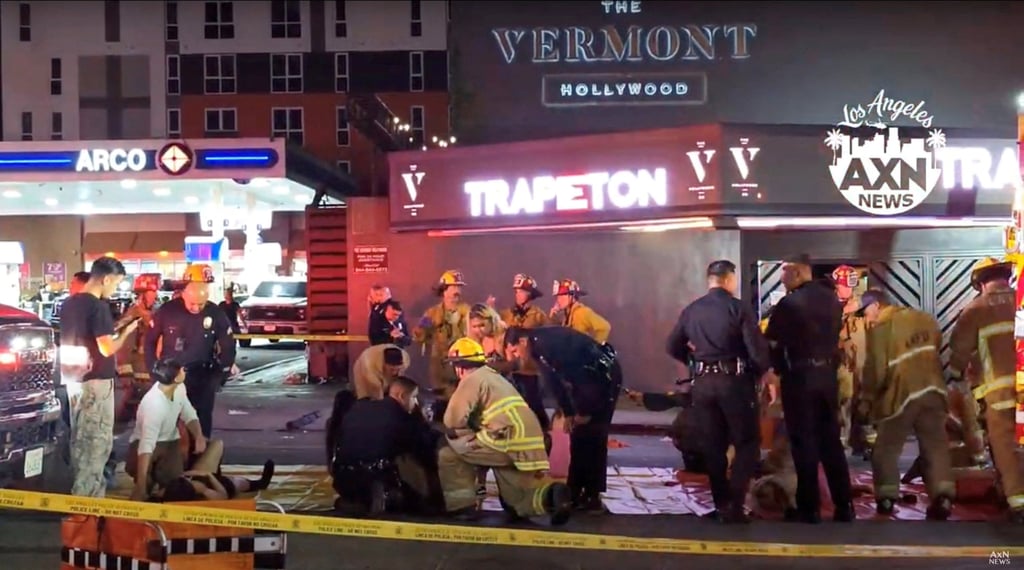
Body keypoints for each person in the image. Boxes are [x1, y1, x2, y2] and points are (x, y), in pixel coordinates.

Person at [664, 259, 773, 524]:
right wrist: (762, 375)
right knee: (747, 443)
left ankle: (720, 503)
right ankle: (735, 505)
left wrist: (694, 361)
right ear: (728, 279)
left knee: (713, 445)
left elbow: (672, 345)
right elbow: (757, 351)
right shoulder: (738, 308)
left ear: (710, 279)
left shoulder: (692, 310)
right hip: (734, 383)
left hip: (703, 384)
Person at [438, 337, 572, 524]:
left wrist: (443, 425)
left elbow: (453, 420)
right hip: (528, 443)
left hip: (505, 440)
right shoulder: (494, 377)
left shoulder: (471, 379)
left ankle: (463, 506)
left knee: (449, 454)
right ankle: (551, 497)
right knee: (516, 500)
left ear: (459, 367)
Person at [764, 254, 854, 524]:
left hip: (799, 377)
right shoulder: (831, 301)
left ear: (796, 272)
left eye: (782, 271)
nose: (780, 277)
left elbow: (773, 343)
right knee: (831, 442)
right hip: (827, 377)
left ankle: (809, 508)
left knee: (804, 443)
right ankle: (844, 505)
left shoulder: (789, 304)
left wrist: (775, 371)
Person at [855, 289, 955, 519]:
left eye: (865, 312)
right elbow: (936, 347)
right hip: (934, 391)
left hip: (901, 395)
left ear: (877, 305)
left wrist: (867, 400)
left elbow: (876, 370)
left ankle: (887, 497)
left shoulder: (881, 328)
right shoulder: (925, 319)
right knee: (936, 446)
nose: (866, 319)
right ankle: (943, 496)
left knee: (886, 448)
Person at [504, 325, 623, 513]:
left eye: (515, 351)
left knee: (594, 435)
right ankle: (575, 491)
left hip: (602, 378)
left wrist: (584, 410)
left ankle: (592, 495)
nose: (517, 357)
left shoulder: (548, 343)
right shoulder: (537, 348)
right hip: (586, 382)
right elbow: (554, 382)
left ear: (522, 341)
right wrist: (568, 412)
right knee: (578, 435)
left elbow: (584, 376)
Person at [947, 257, 1024, 523]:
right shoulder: (1021, 301)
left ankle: (1017, 502)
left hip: (1000, 392)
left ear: (980, 283)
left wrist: (956, 375)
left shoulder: (975, 309)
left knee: (1004, 445)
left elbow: (959, 353)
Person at [58, 257, 138, 497]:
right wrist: (126, 333)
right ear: (106, 279)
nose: (114, 289)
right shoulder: (98, 306)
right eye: (116, 284)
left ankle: (79, 495)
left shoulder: (69, 304)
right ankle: (89, 504)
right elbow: (106, 348)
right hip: (96, 381)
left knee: (79, 439)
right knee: (96, 443)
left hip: (73, 379)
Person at [144, 264, 237, 439]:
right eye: (192, 304)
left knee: (201, 424)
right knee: (166, 425)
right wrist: (153, 371)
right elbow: (149, 342)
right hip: (170, 375)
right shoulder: (167, 311)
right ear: (184, 294)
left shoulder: (215, 313)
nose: (196, 308)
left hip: (201, 376)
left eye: (201, 304)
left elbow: (228, 346)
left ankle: (200, 460)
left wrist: (220, 375)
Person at [331, 377, 442, 515]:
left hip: (343, 480)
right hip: (375, 483)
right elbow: (425, 450)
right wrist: (423, 421)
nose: (416, 402)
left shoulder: (359, 408)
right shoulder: (402, 418)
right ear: (402, 396)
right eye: (414, 397)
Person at [127, 358, 207, 501]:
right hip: (146, 444)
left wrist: (199, 436)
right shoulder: (154, 404)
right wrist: (141, 485)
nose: (185, 371)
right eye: (182, 370)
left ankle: (157, 482)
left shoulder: (179, 388)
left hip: (170, 442)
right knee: (144, 488)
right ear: (176, 378)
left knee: (176, 489)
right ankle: (143, 483)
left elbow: (188, 413)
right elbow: (146, 445)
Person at [412, 270, 471, 418]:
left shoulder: (467, 311)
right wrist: (424, 328)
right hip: (439, 364)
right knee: (440, 401)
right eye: (453, 287)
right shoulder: (431, 313)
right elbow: (419, 335)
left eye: (459, 287)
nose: (457, 291)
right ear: (444, 290)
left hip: (461, 363)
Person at [497, 274, 551, 432]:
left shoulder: (539, 316)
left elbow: (548, 337)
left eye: (522, 291)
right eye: (516, 291)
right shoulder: (506, 314)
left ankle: (543, 430)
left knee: (533, 403)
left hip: (530, 368)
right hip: (511, 367)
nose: (518, 294)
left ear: (530, 294)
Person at [550, 279, 610, 343]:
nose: (558, 300)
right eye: (558, 297)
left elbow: (605, 327)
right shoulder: (567, 315)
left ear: (572, 296)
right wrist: (553, 317)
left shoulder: (582, 312)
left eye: (562, 296)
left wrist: (594, 348)